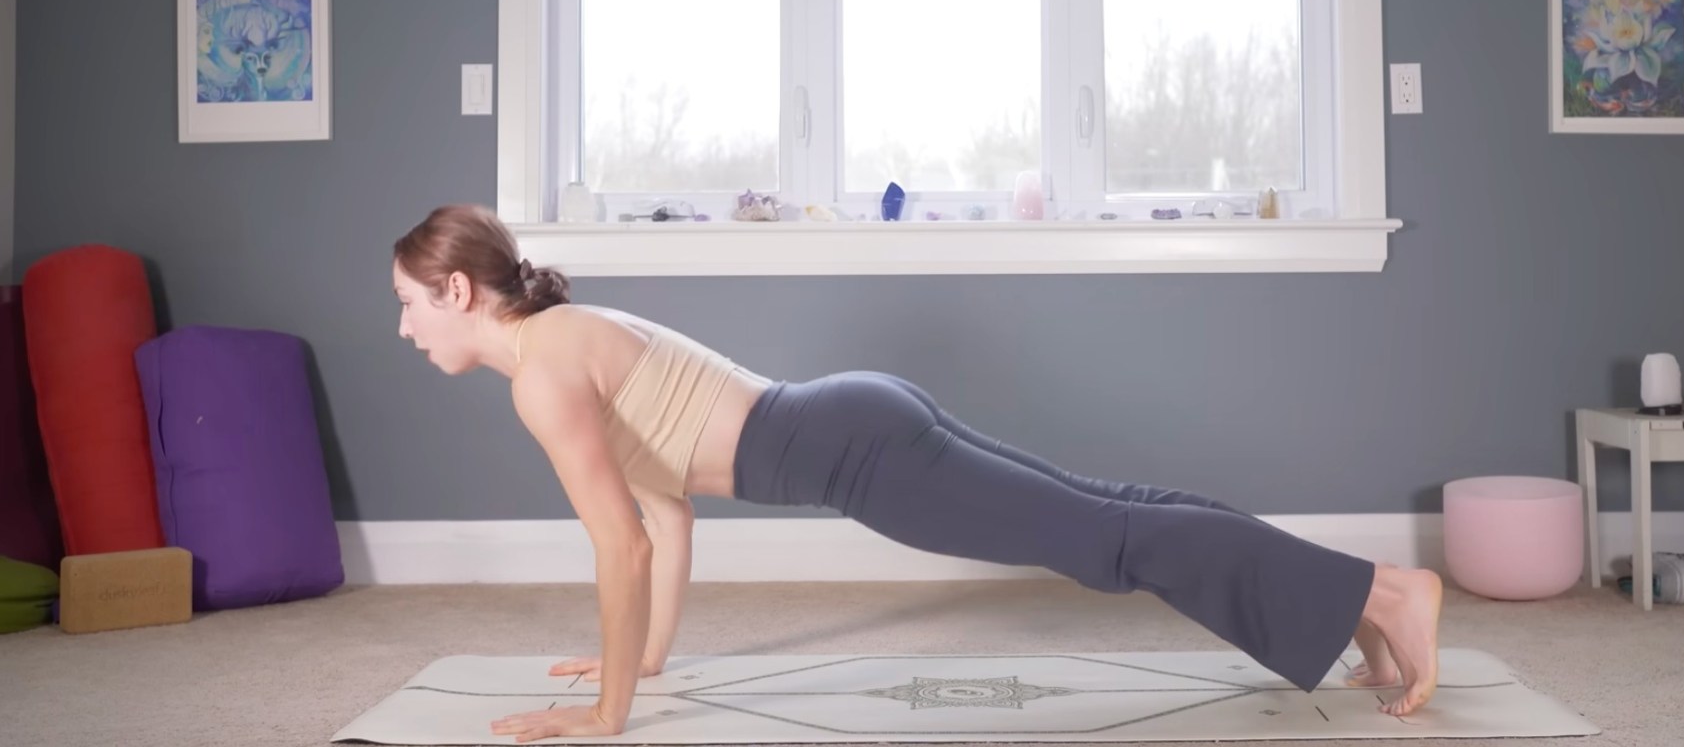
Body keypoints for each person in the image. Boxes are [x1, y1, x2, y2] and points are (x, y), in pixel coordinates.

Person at [391, 204, 1443, 744]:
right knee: (1113, 516)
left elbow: (616, 542)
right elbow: (663, 521)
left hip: (858, 450)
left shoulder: (542, 373)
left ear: (456, 290)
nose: (403, 328)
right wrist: (647, 664)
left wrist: (609, 712)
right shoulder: (567, 338)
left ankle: (1388, 593)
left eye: (408, 304)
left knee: (1109, 541)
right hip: (858, 418)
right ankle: (1358, 608)